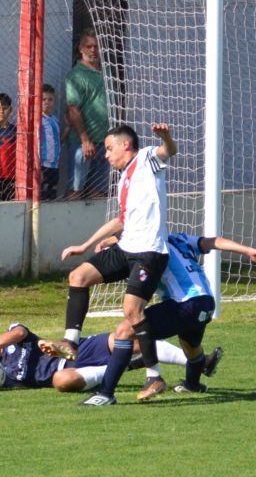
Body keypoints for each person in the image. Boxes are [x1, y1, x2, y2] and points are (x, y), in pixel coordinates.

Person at [79, 233, 256, 406]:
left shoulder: (152, 248)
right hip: (206, 303)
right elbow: (214, 241)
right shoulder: (179, 238)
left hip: (185, 302)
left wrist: (112, 242)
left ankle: (105, 394)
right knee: (191, 347)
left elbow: (130, 237)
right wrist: (248, 250)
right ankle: (192, 384)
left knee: (125, 330)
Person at [60, 123, 177, 406]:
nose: (106, 155)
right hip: (126, 248)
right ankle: (70, 343)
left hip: (149, 253)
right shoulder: (124, 178)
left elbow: (167, 152)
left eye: (109, 148)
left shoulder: (147, 158)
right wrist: (86, 245)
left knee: (131, 311)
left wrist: (166, 138)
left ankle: (154, 376)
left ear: (126, 145)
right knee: (79, 276)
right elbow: (123, 220)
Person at [0, 322, 219, 393]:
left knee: (124, 337)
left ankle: (198, 362)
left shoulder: (11, 336)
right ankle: (128, 365)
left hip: (76, 352)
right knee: (60, 381)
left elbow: (21, 331)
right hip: (69, 373)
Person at [63, 28, 109, 199]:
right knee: (75, 190)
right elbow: (72, 109)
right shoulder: (75, 76)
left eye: (96, 46)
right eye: (88, 46)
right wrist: (84, 139)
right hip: (83, 143)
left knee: (98, 192)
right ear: (80, 49)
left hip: (105, 141)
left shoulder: (106, 73)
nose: (93, 50)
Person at [40, 84, 62, 201]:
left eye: (50, 99)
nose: (47, 102)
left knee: (52, 195)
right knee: (42, 195)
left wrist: (68, 128)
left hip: (55, 165)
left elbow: (58, 140)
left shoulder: (55, 120)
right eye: (43, 99)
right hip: (42, 165)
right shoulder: (38, 120)